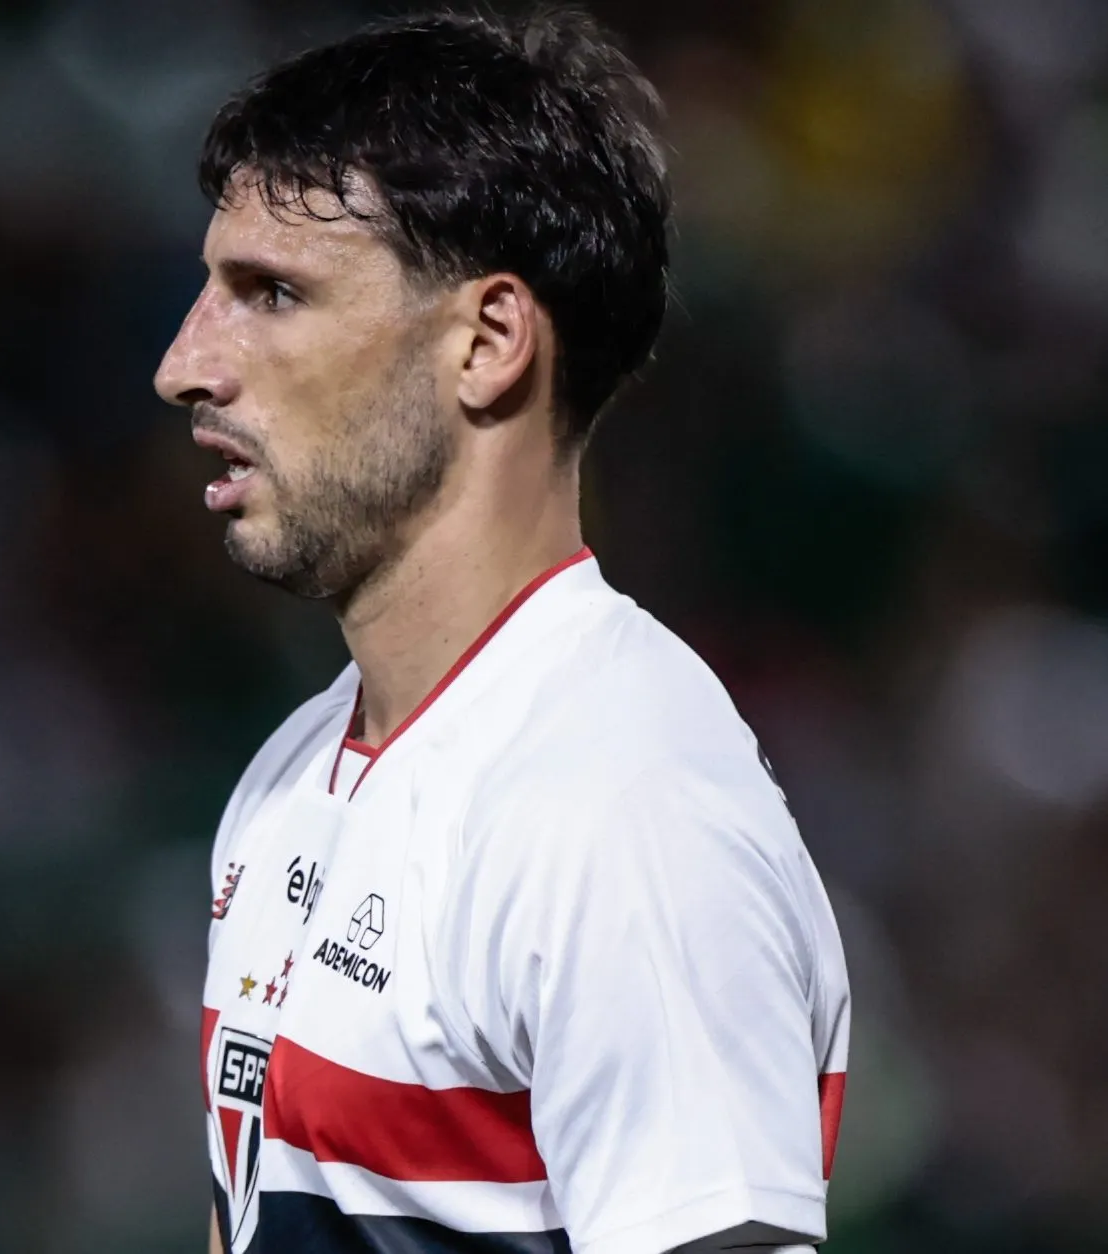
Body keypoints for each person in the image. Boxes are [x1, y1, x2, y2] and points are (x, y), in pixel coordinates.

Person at [156, 11, 850, 1254]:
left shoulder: (619, 814)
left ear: (485, 343)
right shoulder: (288, 778)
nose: (184, 365)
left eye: (271, 293)